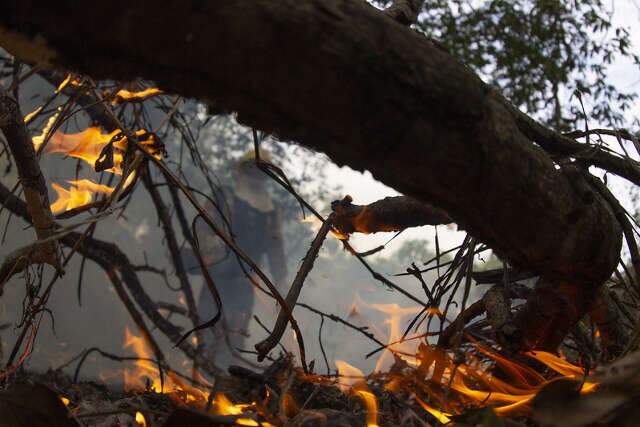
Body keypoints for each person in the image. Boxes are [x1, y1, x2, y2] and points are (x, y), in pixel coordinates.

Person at [184, 150, 288, 369]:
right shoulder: (225, 195)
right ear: (243, 169)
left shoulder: (271, 211)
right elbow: (201, 226)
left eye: (262, 171)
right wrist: (212, 242)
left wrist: (281, 281)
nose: (257, 175)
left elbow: (275, 248)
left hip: (245, 282)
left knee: (236, 335)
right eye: (253, 168)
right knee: (208, 328)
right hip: (217, 277)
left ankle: (224, 382)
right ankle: (202, 378)